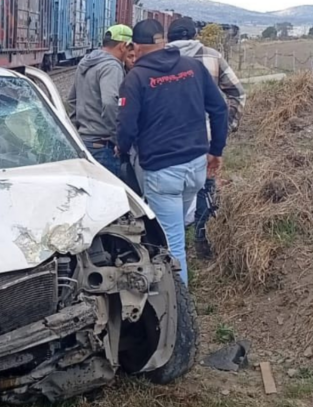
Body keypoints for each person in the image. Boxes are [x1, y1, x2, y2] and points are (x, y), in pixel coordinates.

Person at [116, 19, 229, 285]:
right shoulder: (193, 68)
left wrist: (122, 151)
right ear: (163, 42)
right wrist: (216, 150)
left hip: (163, 171)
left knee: (172, 244)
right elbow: (220, 109)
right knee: (177, 223)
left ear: (136, 47)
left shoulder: (136, 78)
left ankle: (180, 310)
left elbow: (126, 127)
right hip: (196, 167)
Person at [167, 17, 246, 259]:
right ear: (194, 35)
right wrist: (225, 127)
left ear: (169, 37)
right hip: (205, 139)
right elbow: (237, 93)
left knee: (167, 194)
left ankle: (168, 248)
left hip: (164, 140)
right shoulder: (212, 56)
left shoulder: (157, 59)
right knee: (204, 188)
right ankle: (202, 241)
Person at [67, 25, 133, 178]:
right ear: (123, 46)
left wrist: (78, 128)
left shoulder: (86, 62)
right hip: (103, 146)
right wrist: (118, 139)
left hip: (84, 141)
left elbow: (71, 100)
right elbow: (110, 103)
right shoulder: (111, 66)